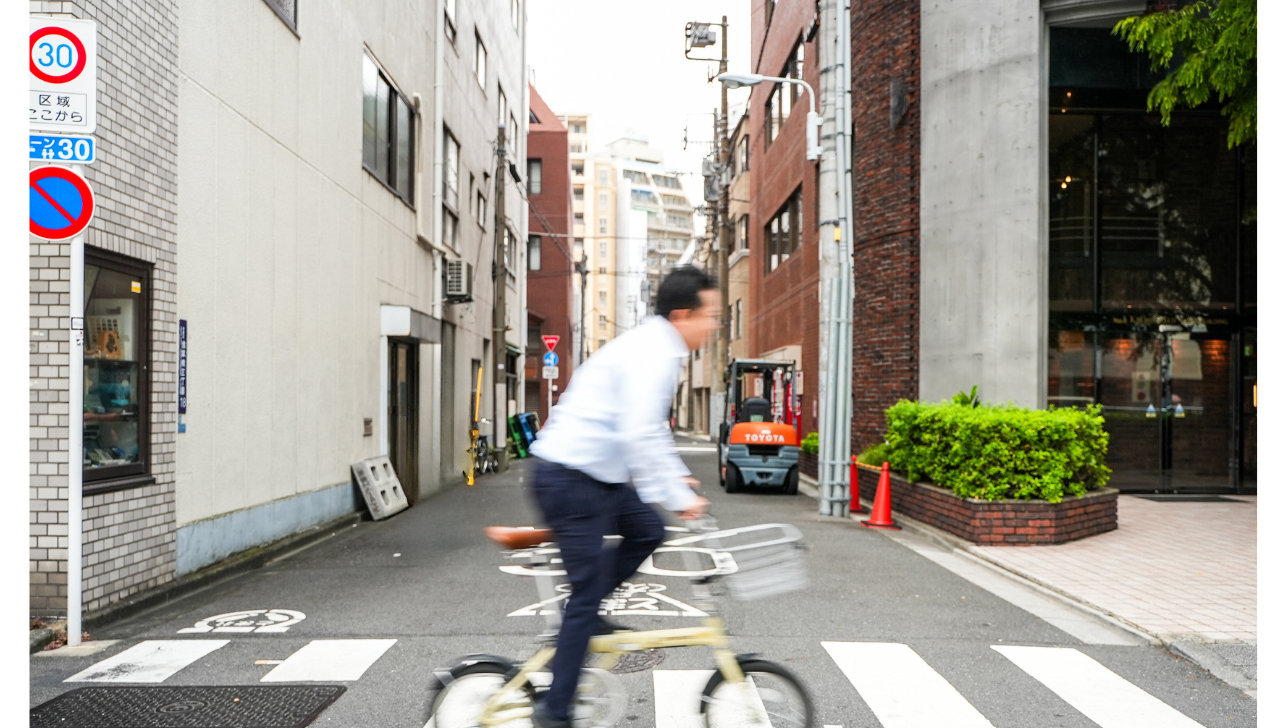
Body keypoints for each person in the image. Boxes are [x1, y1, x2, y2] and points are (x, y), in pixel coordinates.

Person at [527, 266, 718, 727]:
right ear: (681, 314)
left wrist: (676, 479)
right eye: (709, 315)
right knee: (587, 593)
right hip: (570, 479)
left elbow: (650, 431)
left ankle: (585, 619)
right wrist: (675, 494)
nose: (713, 325)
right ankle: (554, 713)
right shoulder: (653, 353)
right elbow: (638, 432)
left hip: (596, 479)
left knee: (647, 529)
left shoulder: (657, 348)